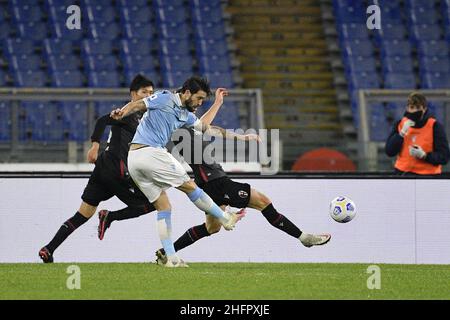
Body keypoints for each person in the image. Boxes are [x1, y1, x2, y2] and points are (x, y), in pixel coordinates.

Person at [99, 117, 331, 267]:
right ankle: (304, 238)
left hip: (210, 184)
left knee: (211, 228)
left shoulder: (185, 128)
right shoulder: (179, 130)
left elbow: (207, 125)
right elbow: (205, 125)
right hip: (217, 182)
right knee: (263, 202)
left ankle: (165, 252)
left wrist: (219, 104)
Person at [110, 76, 245, 267]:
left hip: (135, 160)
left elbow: (206, 128)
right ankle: (225, 218)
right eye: (198, 99)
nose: (199, 103)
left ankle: (171, 258)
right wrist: (121, 112)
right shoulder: (165, 98)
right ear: (187, 92)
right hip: (150, 152)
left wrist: (241, 136)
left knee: (164, 207)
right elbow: (137, 105)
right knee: (190, 186)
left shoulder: (186, 115)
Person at [38, 74, 156, 263]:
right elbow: (102, 120)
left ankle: (48, 249)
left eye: (151, 93)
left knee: (83, 214)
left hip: (104, 169)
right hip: (115, 166)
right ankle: (110, 216)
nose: (148, 96)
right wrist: (94, 145)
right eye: (144, 92)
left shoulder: (143, 117)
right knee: (154, 203)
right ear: (133, 94)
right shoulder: (129, 112)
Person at [385, 92, 450, 175]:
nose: (415, 111)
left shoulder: (435, 126)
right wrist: (401, 134)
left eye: (418, 108)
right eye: (412, 107)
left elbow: (444, 157)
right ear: (407, 108)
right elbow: (389, 151)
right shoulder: (400, 124)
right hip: (402, 174)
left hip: (428, 176)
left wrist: (424, 156)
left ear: (424, 109)